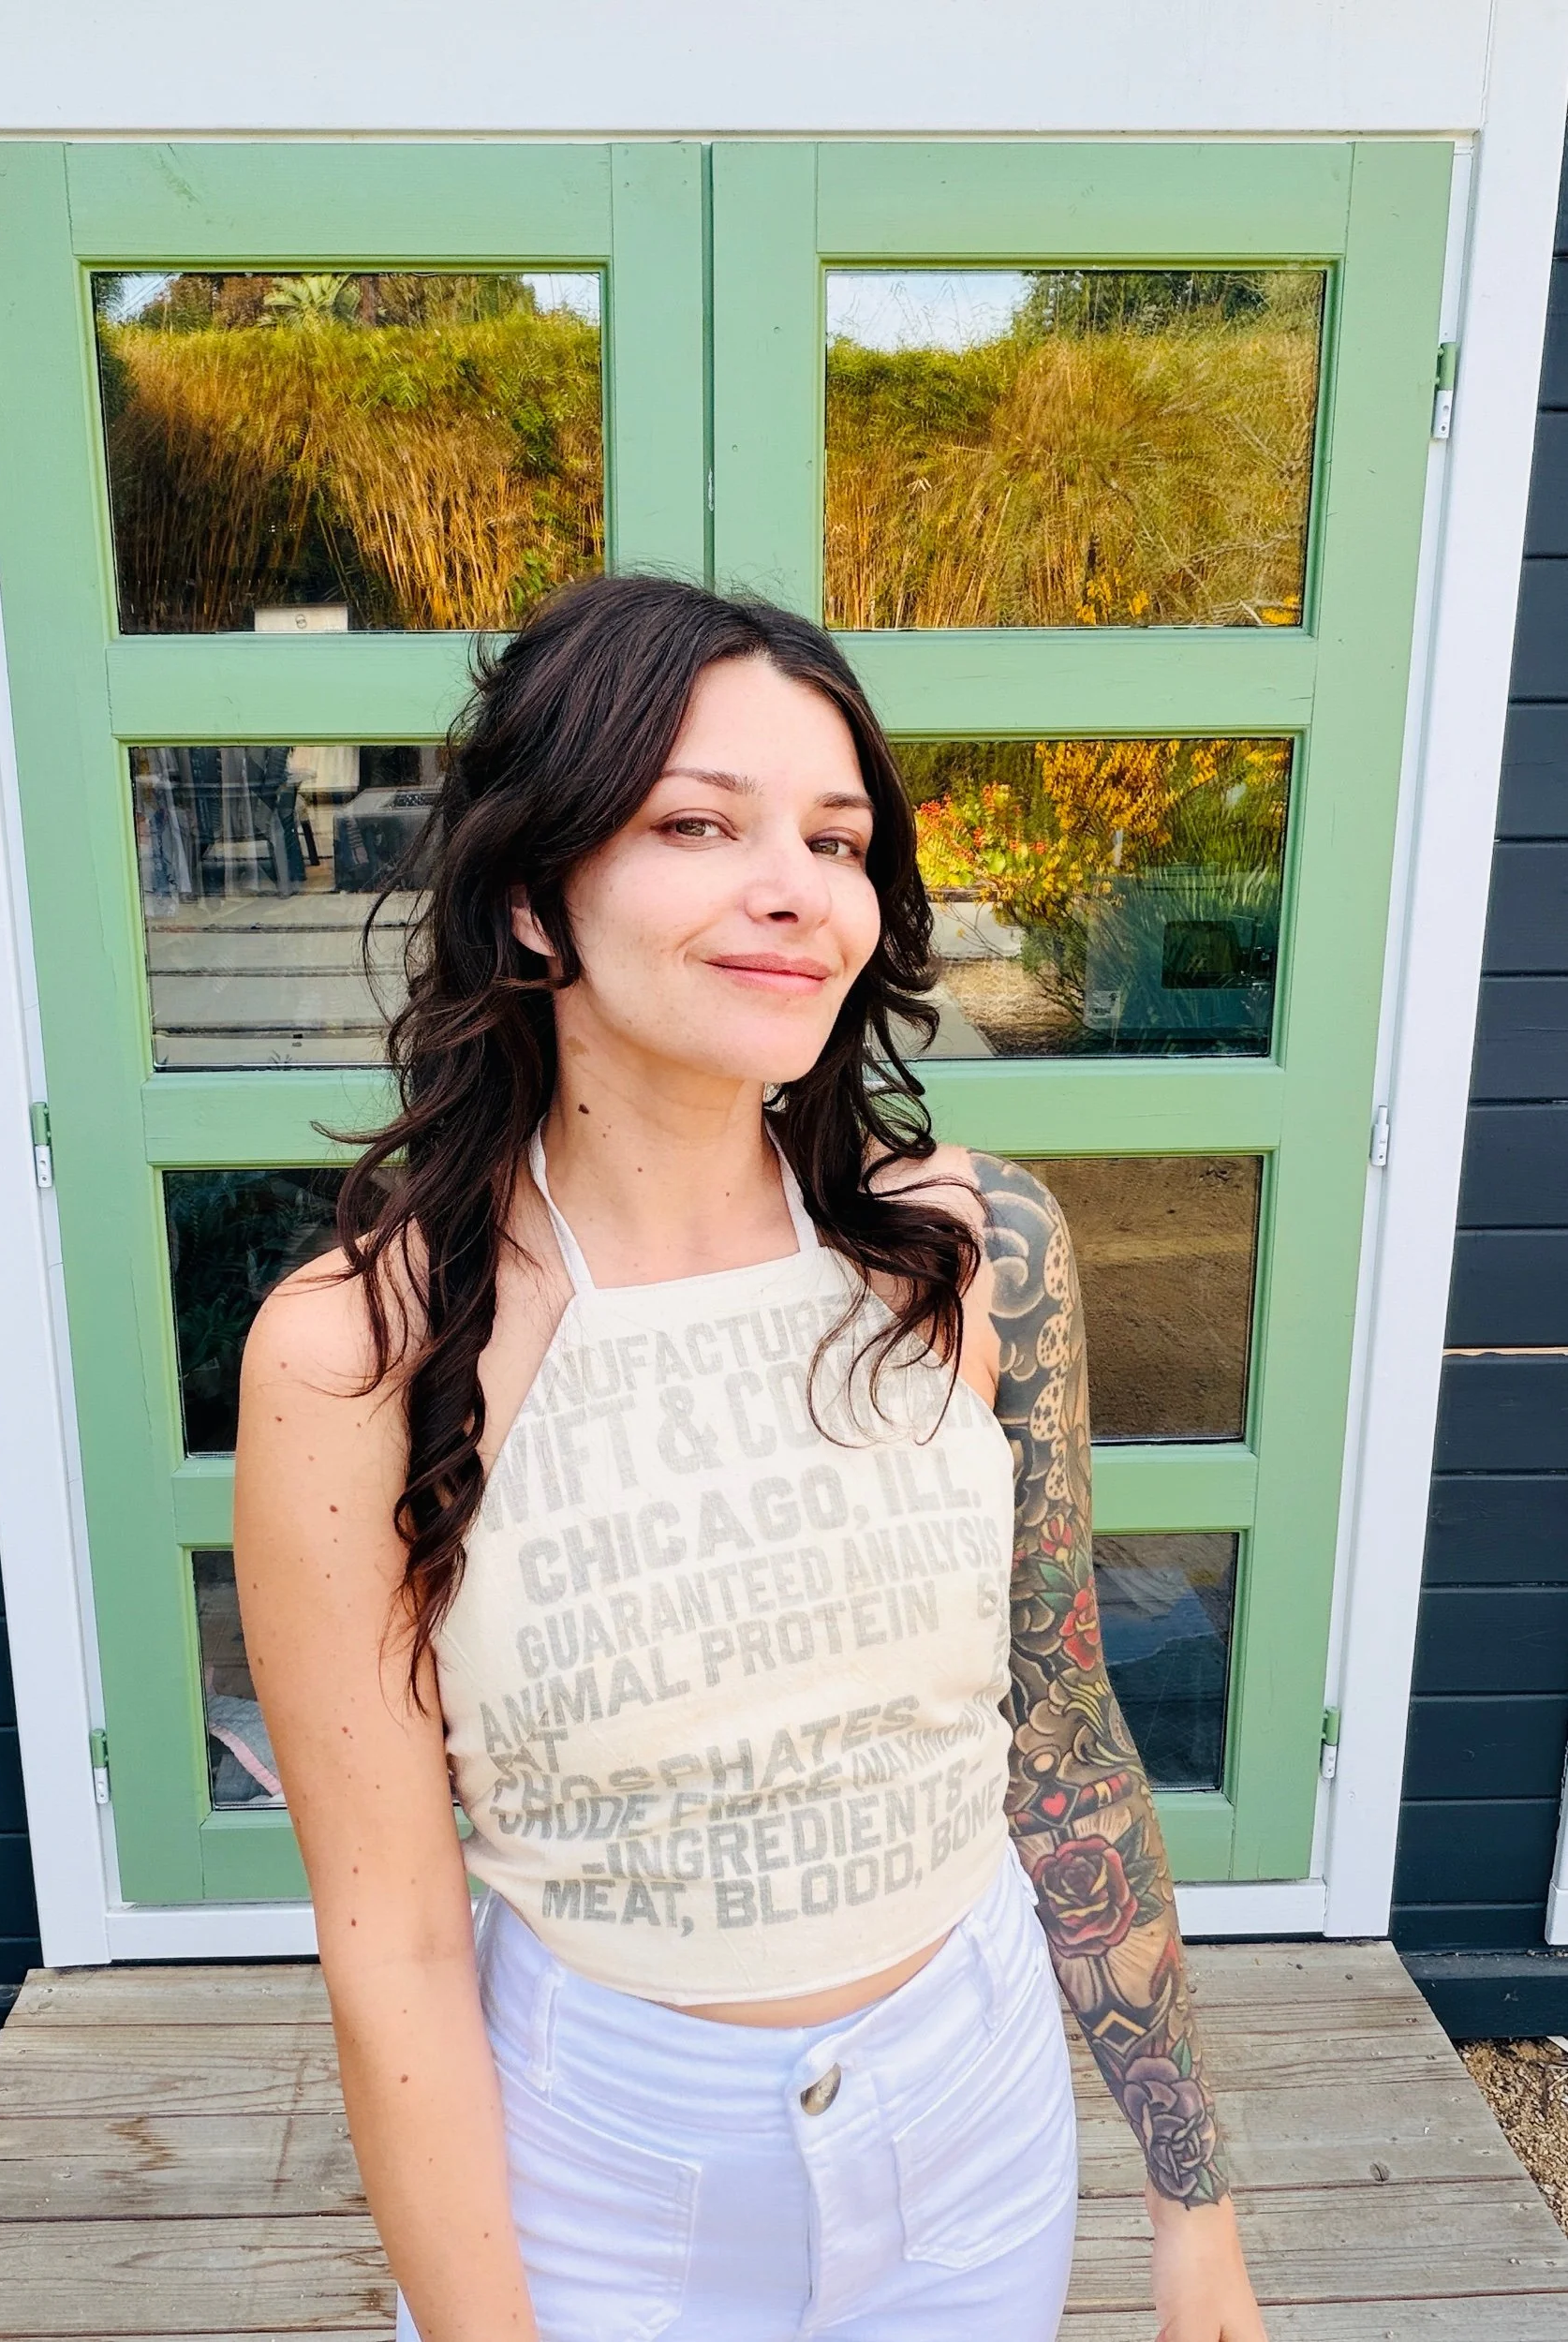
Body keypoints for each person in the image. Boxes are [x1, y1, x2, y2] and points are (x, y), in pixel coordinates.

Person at [234, 575, 1268, 2341]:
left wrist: (1195, 2206)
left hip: (975, 2130)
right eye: (698, 824)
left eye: (835, 838)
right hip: (599, 2181)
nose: (796, 887)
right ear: (532, 898)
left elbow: (1060, 1736)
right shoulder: (357, 1351)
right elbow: (391, 1943)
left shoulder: (975, 1254)